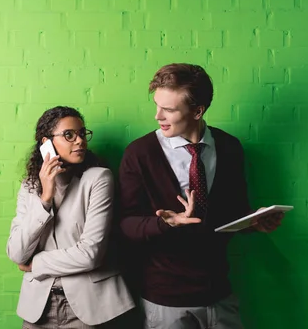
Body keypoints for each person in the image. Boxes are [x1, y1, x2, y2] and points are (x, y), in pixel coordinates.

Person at [118, 63, 284, 329]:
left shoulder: (229, 147)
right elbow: (125, 224)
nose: (157, 116)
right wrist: (166, 223)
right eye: (157, 105)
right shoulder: (140, 153)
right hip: (166, 298)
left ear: (198, 111)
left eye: (169, 110)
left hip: (219, 291)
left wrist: (254, 222)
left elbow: (234, 211)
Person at [6, 106, 135, 328]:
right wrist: (45, 198)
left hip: (90, 306)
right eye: (69, 135)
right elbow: (17, 253)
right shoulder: (29, 187)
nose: (80, 141)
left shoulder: (98, 178)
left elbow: (90, 254)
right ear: (46, 143)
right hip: (38, 307)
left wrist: (35, 263)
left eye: (82, 134)